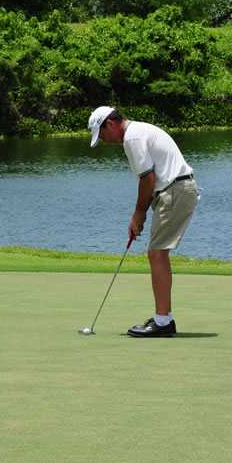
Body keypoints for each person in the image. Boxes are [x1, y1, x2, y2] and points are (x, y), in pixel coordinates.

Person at [88, 106, 199, 337]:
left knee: (156, 253)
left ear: (110, 124)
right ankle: (164, 319)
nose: (105, 143)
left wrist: (138, 214)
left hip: (174, 189)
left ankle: (162, 323)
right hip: (174, 189)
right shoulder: (136, 132)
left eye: (103, 136)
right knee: (158, 253)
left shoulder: (133, 137)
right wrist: (140, 213)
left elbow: (146, 179)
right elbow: (149, 180)